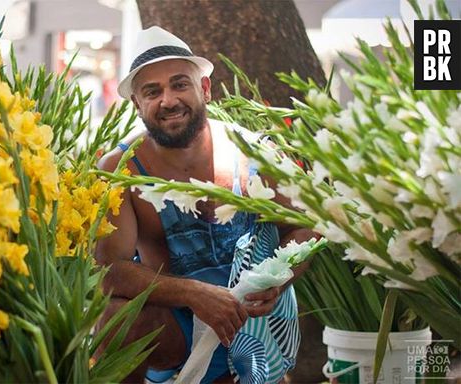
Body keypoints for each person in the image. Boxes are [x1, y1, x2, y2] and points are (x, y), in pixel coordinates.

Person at [96, 26, 315, 383]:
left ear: (205, 89)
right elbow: (110, 271)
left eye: (180, 84)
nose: (168, 100)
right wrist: (193, 293)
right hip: (175, 326)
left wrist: (279, 278)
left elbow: (307, 226)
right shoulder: (120, 169)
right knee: (118, 318)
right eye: (152, 92)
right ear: (137, 104)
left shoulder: (253, 151)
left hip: (254, 326)